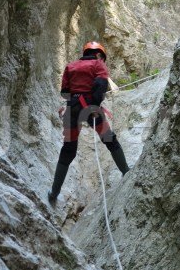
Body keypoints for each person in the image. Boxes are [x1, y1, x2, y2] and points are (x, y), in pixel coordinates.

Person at [48, 41, 130, 204]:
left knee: (68, 150)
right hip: (91, 109)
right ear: (98, 54)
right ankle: (126, 172)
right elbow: (101, 84)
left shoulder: (70, 66)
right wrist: (94, 104)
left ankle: (54, 193)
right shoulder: (98, 64)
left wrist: (77, 97)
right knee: (110, 140)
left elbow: (64, 92)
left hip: (72, 110)